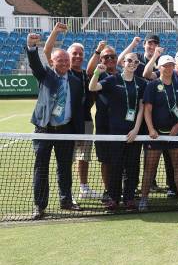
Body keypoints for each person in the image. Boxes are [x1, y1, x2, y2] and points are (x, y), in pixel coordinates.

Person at [26, 32, 84, 219]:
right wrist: (32, 47)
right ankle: (40, 206)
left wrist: (80, 136)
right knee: (41, 168)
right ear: (52, 62)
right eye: (60, 60)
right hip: (44, 128)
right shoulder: (45, 75)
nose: (65, 63)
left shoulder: (75, 82)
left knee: (65, 167)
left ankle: (66, 200)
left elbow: (78, 111)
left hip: (65, 129)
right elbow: (34, 63)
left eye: (66, 61)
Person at [43, 23, 99, 199]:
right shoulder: (62, 72)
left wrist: (98, 52)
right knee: (67, 159)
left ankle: (83, 187)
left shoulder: (85, 74)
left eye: (80, 54)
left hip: (86, 120)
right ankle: (69, 193)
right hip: (68, 122)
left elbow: (92, 72)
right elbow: (47, 52)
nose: (77, 56)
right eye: (74, 53)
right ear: (68, 56)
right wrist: (55, 32)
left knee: (84, 157)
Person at [89, 52, 146, 212]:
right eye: (129, 61)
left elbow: (142, 108)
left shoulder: (141, 84)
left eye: (135, 62)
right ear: (123, 63)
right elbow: (92, 87)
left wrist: (136, 129)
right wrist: (97, 73)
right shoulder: (112, 80)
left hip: (134, 133)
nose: (132, 64)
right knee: (115, 166)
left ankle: (129, 199)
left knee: (132, 166)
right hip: (115, 132)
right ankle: (114, 198)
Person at [140, 55, 178, 210]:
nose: (168, 68)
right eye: (165, 66)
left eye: (170, 65)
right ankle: (143, 199)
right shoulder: (152, 85)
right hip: (155, 136)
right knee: (150, 167)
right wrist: (151, 129)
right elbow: (147, 110)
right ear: (159, 68)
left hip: (175, 135)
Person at [87, 43, 118, 201]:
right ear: (101, 59)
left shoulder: (122, 74)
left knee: (122, 160)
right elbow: (89, 71)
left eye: (113, 57)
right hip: (103, 125)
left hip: (121, 127)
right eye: (106, 57)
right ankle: (108, 190)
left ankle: (122, 190)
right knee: (105, 160)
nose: (110, 59)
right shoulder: (99, 74)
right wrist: (98, 50)